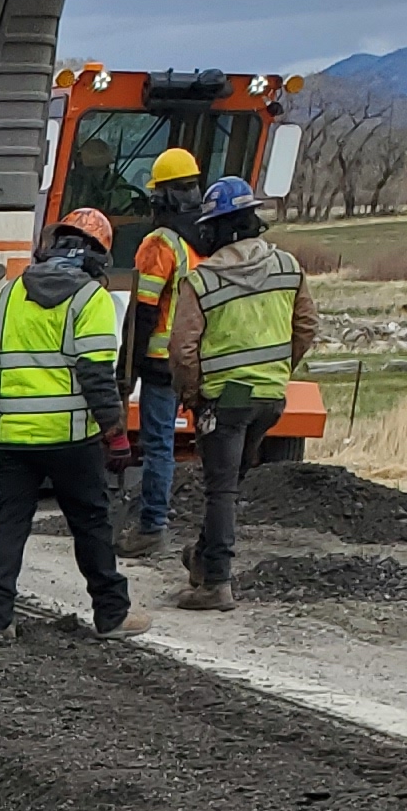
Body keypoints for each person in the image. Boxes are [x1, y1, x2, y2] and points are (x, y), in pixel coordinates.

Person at [0, 204, 149, 642]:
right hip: (71, 440)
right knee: (90, 524)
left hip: (11, 439)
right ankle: (111, 615)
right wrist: (116, 435)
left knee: (11, 526)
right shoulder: (92, 299)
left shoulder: (10, 295)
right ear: (98, 255)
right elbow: (97, 375)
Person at [169, 175, 314, 614]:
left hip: (225, 399)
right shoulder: (290, 267)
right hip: (270, 397)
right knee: (231, 484)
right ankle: (202, 559)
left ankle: (217, 582)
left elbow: (182, 349)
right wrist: (278, 371)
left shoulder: (204, 280)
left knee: (220, 490)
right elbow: (306, 328)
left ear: (216, 229)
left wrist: (193, 396)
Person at [123, 148, 201, 559]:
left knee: (158, 446)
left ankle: (152, 527)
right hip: (200, 358)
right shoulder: (209, 240)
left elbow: (144, 310)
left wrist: (129, 365)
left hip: (160, 362)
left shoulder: (160, 244)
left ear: (161, 195)